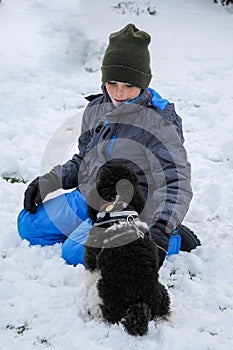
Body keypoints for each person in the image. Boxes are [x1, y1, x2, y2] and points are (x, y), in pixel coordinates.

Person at [17, 23, 200, 267]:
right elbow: (84, 159)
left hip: (129, 204)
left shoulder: (158, 121)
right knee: (28, 227)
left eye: (128, 85)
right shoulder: (96, 109)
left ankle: (171, 236)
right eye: (112, 83)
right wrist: (51, 180)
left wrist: (162, 228)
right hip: (90, 194)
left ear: (143, 82)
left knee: (75, 252)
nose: (119, 93)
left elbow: (175, 181)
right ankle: (90, 228)